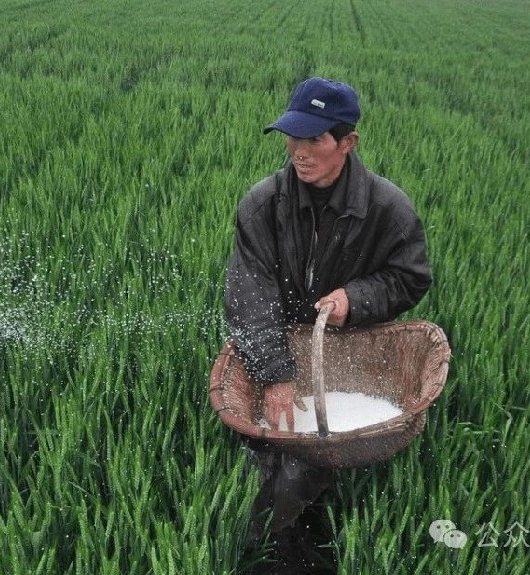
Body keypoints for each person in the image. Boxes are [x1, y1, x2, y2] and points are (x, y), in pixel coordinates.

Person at [224, 77, 432, 573]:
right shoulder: (262, 205)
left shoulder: (388, 210)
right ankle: (262, 536)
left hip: (348, 353)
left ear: (347, 142)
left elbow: (410, 278)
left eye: (315, 139)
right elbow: (248, 294)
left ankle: (302, 525)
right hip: (274, 342)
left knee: (305, 463)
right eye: (293, 137)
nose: (299, 151)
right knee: (271, 451)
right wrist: (275, 373)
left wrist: (354, 300)